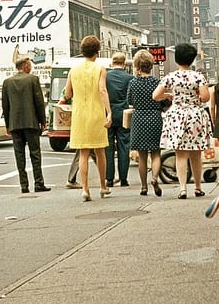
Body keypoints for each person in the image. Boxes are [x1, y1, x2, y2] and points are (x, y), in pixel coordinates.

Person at [153, 43, 211, 199]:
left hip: (177, 117)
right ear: (192, 59)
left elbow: (155, 95)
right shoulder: (198, 76)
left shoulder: (171, 77)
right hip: (195, 117)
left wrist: (168, 95)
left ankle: (183, 188)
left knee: (180, 154)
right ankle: (198, 187)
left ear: (177, 59)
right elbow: (205, 97)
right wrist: (196, 97)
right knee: (196, 154)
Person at [60, 35, 112, 202]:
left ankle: (85, 189)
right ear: (97, 51)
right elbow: (102, 90)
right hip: (96, 114)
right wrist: (109, 112)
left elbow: (67, 93)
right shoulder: (100, 69)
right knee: (100, 151)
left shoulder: (73, 70)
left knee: (83, 153)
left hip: (79, 115)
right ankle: (103, 186)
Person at [2, 57, 50, 194]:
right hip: (31, 122)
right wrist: (42, 121)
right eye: (30, 65)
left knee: (19, 155)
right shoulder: (32, 80)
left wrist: (8, 125)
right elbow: (39, 102)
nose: (31, 67)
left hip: (15, 124)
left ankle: (24, 185)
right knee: (35, 153)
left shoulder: (7, 82)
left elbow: (5, 106)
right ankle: (39, 183)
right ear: (25, 66)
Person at [127, 49, 162, 196]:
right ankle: (154, 178)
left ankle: (143, 186)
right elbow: (163, 99)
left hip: (139, 117)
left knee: (141, 156)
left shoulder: (133, 82)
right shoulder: (156, 82)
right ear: (151, 65)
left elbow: (129, 101)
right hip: (155, 117)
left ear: (137, 65)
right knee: (156, 153)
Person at [105, 52, 133, 188]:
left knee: (108, 147)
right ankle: (123, 178)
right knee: (124, 146)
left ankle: (109, 178)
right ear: (124, 63)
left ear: (112, 62)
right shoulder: (129, 78)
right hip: (124, 114)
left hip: (108, 114)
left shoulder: (105, 77)